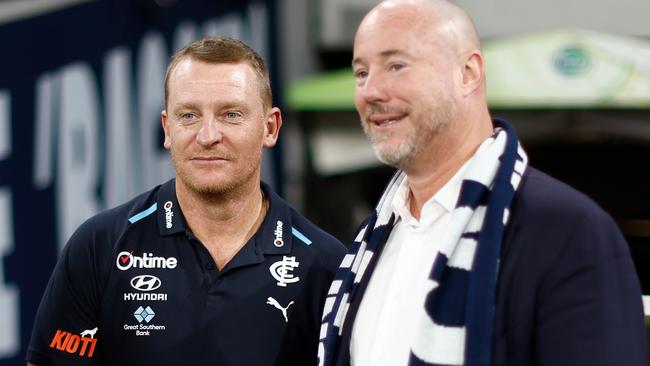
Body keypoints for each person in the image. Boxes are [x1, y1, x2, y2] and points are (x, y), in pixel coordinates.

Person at [318, 1, 647, 366]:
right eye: (361, 73)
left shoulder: (569, 232)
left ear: (468, 72)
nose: (371, 91)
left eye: (397, 66)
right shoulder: (370, 242)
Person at [26, 36, 346, 366]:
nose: (207, 136)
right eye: (189, 116)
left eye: (231, 115)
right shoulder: (100, 247)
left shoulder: (326, 266)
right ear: (167, 128)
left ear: (270, 128)